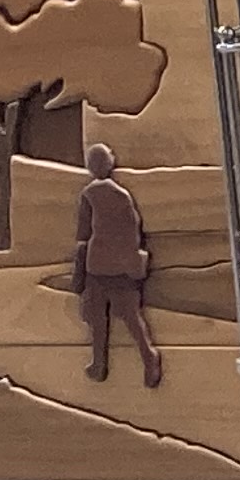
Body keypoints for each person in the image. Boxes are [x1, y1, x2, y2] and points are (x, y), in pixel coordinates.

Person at [66, 138, 163, 386]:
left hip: (98, 266)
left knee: (98, 319)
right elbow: (134, 229)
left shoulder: (89, 195)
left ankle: (101, 363)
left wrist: (79, 269)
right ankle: (145, 356)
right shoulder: (123, 196)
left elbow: (83, 236)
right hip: (123, 267)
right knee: (131, 317)